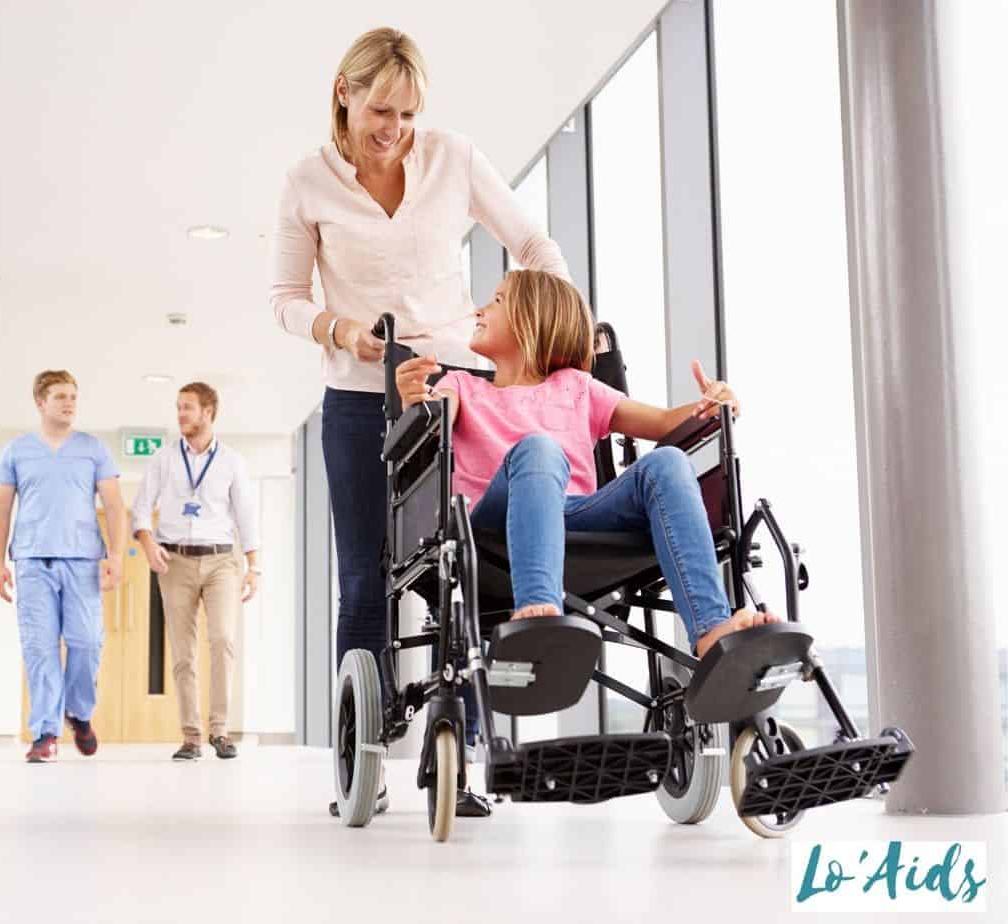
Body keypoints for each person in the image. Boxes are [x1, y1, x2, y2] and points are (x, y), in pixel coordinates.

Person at [270, 27, 568, 817]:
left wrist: (564, 319)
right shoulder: (307, 181)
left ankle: (455, 764)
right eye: (379, 109)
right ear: (344, 91)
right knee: (366, 578)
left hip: (450, 390)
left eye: (406, 113)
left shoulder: (453, 157)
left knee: (454, 569)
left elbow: (531, 242)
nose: (393, 129)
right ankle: (357, 764)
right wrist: (340, 330)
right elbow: (286, 300)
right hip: (358, 395)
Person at [396, 270, 782, 656]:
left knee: (667, 462)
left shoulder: (578, 387)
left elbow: (666, 423)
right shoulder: (462, 385)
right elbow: (436, 416)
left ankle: (711, 629)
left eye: (496, 300)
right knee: (539, 449)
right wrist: (417, 398)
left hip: (574, 517)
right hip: (492, 524)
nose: (479, 309)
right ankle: (537, 609)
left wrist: (715, 405)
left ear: (534, 319)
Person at [0, 370, 126, 763]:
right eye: (61, 397)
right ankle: (45, 733)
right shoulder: (16, 451)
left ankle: (79, 714)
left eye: (73, 397)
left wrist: (115, 555)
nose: (69, 403)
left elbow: (114, 506)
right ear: (40, 402)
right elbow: (0, 510)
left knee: (86, 642)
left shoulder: (93, 449)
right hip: (32, 561)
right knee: (40, 648)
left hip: (82, 561)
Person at [131, 383, 260, 761]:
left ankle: (220, 731)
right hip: (175, 561)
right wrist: (148, 543)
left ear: (209, 411)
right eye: (178, 407)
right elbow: (140, 509)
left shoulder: (232, 461)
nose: (181, 414)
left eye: (187, 407)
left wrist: (255, 567)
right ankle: (191, 736)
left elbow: (246, 518)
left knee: (222, 641)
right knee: (182, 652)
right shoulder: (163, 459)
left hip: (221, 560)